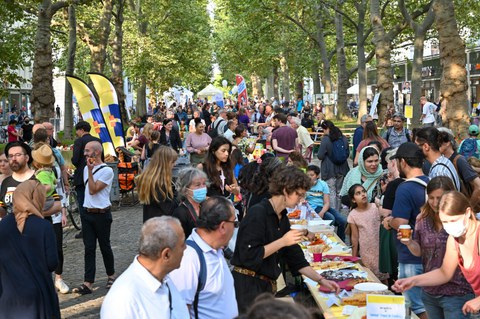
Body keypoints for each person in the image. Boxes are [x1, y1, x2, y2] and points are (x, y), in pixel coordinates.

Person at [231, 166, 340, 313]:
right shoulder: (257, 214)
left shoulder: (281, 217)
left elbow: (295, 258)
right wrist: (282, 241)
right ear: (285, 190)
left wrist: (321, 280)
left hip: (265, 286)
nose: (301, 201)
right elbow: (249, 256)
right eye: (299, 195)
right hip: (248, 288)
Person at [396, 177, 474, 319]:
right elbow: (442, 270)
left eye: (439, 198)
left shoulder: (469, 231)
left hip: (458, 293)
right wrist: (412, 280)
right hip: (431, 291)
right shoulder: (425, 221)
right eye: (431, 198)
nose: (435, 202)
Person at [100, 216, 189, 319]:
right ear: (166, 254)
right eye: (182, 244)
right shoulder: (124, 298)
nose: (186, 248)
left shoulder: (165, 279)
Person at [170, 196, 238, 319]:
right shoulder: (189, 258)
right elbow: (179, 312)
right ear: (222, 227)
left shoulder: (216, 249)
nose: (235, 228)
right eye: (234, 223)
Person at [382, 142, 430, 319]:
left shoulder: (405, 187)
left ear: (403, 162)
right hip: (431, 253)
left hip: (410, 254)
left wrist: (389, 221)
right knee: (428, 302)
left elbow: (401, 223)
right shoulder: (431, 183)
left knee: (416, 305)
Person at [0, 180, 61, 318]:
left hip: (8, 298)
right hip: (38, 296)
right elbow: (52, 263)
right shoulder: (44, 226)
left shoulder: (2, 226)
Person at [72, 141, 115, 295]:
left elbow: (93, 189)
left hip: (102, 214)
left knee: (105, 246)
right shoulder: (85, 168)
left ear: (96, 152)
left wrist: (90, 171)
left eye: (87, 151)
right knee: (89, 248)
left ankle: (111, 276)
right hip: (87, 214)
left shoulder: (108, 171)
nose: (84, 154)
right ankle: (88, 283)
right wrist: (88, 170)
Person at [347, 184, 387, 280]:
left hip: (380, 247)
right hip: (366, 251)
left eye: (363, 191)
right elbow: (355, 237)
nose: (363, 194)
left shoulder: (376, 207)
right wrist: (354, 257)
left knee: (384, 276)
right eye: (358, 193)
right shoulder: (353, 215)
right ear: (353, 200)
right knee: (370, 277)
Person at [71, 121, 102, 238]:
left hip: (81, 176)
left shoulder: (79, 141)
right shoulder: (97, 140)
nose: (77, 133)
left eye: (77, 131)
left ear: (81, 130)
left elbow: (74, 160)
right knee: (96, 201)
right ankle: (98, 227)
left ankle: (86, 230)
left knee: (83, 203)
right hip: (96, 174)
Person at [306, 165, 347, 241]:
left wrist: (322, 212)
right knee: (331, 218)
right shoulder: (303, 184)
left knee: (343, 221)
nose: (309, 177)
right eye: (307, 175)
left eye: (312, 175)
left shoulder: (323, 184)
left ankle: (341, 242)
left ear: (317, 176)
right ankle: (326, 240)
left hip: (322, 207)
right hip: (311, 207)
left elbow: (327, 202)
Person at [137, 146, 178, 222]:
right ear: (164, 163)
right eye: (172, 162)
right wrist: (179, 195)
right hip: (161, 225)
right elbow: (169, 208)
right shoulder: (159, 183)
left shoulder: (149, 178)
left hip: (151, 222)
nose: (174, 165)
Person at [317, 120, 350, 211]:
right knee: (340, 191)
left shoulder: (326, 139)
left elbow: (320, 156)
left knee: (331, 192)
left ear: (327, 128)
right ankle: (339, 212)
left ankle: (333, 214)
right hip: (342, 169)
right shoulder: (343, 138)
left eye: (323, 130)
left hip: (329, 170)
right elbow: (347, 153)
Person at [0, 142, 36, 217]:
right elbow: (3, 210)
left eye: (18, 155)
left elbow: (57, 205)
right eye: (10, 156)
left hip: (35, 227)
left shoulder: (38, 178)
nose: (13, 159)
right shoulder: (6, 182)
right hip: (12, 227)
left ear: (27, 158)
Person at [172, 168, 208, 238]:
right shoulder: (180, 213)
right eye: (197, 185)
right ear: (185, 190)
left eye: (204, 184)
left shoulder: (206, 207)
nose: (202, 188)